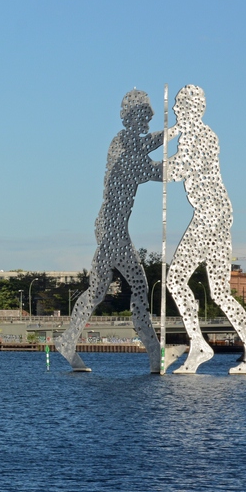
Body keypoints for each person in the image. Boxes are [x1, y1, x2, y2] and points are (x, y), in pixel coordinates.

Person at [57, 89, 164, 372]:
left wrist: (174, 134)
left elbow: (149, 149)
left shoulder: (126, 143)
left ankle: (68, 341)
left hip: (110, 226)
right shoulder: (123, 145)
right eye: (144, 114)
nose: (149, 119)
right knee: (139, 286)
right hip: (111, 229)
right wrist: (180, 145)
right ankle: (155, 355)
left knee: (98, 289)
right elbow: (151, 168)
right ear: (130, 117)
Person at [165, 85, 246, 374]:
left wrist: (145, 169)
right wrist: (170, 134)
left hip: (210, 217)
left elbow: (179, 169)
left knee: (176, 281)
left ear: (191, 109)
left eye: (179, 106)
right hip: (215, 215)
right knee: (220, 292)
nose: (174, 111)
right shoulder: (198, 134)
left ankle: (200, 345)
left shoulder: (200, 136)